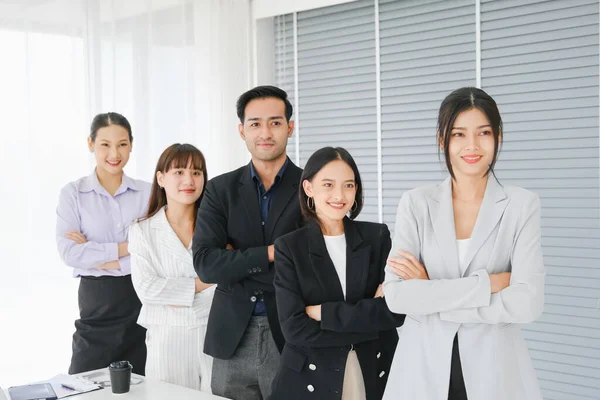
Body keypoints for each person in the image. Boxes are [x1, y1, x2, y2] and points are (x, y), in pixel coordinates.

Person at [382, 87, 545, 400]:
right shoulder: (416, 204)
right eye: (459, 134)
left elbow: (528, 303)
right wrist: (490, 284)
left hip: (495, 369)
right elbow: (398, 297)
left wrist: (432, 293)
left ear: (498, 136)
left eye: (483, 132)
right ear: (442, 140)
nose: (472, 145)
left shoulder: (522, 205)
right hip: (422, 366)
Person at [193, 85, 303, 399]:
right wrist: (273, 252)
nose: (265, 132)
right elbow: (206, 265)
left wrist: (237, 259)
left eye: (275, 122)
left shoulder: (311, 187)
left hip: (291, 331)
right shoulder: (220, 189)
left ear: (289, 128)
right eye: (255, 123)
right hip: (231, 336)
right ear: (242, 131)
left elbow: (316, 262)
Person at [271, 147, 404, 400]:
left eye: (349, 185)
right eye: (328, 185)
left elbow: (395, 313)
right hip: (310, 377)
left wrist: (323, 313)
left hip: (369, 369)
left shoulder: (377, 237)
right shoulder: (290, 246)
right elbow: (294, 329)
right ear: (309, 188)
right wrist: (369, 315)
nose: (339, 195)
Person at [56, 112, 150, 375]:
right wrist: (128, 247)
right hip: (96, 301)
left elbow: (157, 248)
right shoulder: (73, 193)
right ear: (90, 144)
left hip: (139, 296)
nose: (114, 153)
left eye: (122, 144)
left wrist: (95, 252)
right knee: (84, 383)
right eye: (105, 145)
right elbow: (69, 253)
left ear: (131, 145)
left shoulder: (149, 192)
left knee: (140, 385)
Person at [129, 143, 214, 391]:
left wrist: (175, 293)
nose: (189, 179)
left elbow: (229, 281)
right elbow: (147, 290)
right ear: (161, 178)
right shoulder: (142, 230)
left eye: (196, 172)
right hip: (167, 339)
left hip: (215, 334)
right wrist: (202, 283)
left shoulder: (218, 228)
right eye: (179, 171)